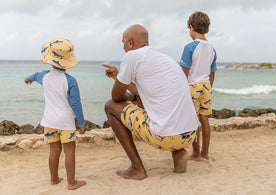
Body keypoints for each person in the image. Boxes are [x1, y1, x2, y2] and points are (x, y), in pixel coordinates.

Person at [104, 24, 199, 180]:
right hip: (189, 135)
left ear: (129, 42)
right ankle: (178, 152)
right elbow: (142, 93)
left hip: (167, 137)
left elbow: (116, 97)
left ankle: (137, 168)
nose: (123, 47)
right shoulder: (164, 59)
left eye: (123, 43)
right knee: (162, 109)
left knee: (110, 106)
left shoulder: (131, 56)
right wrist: (119, 77)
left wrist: (130, 97)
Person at [25, 38, 86, 190]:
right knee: (69, 152)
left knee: (54, 151)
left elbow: (33, 75)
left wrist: (28, 79)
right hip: (65, 122)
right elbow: (76, 104)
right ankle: (71, 183)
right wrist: (81, 123)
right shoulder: (70, 81)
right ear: (68, 61)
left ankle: (54, 179)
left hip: (49, 121)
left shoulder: (43, 76)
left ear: (50, 59)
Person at [180, 11, 217, 161]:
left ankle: (196, 154)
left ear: (191, 27)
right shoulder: (212, 49)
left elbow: (184, 72)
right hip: (206, 86)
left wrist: (181, 90)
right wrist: (208, 87)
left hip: (192, 86)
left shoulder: (189, 47)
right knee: (204, 120)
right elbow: (212, 72)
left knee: (193, 121)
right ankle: (205, 153)